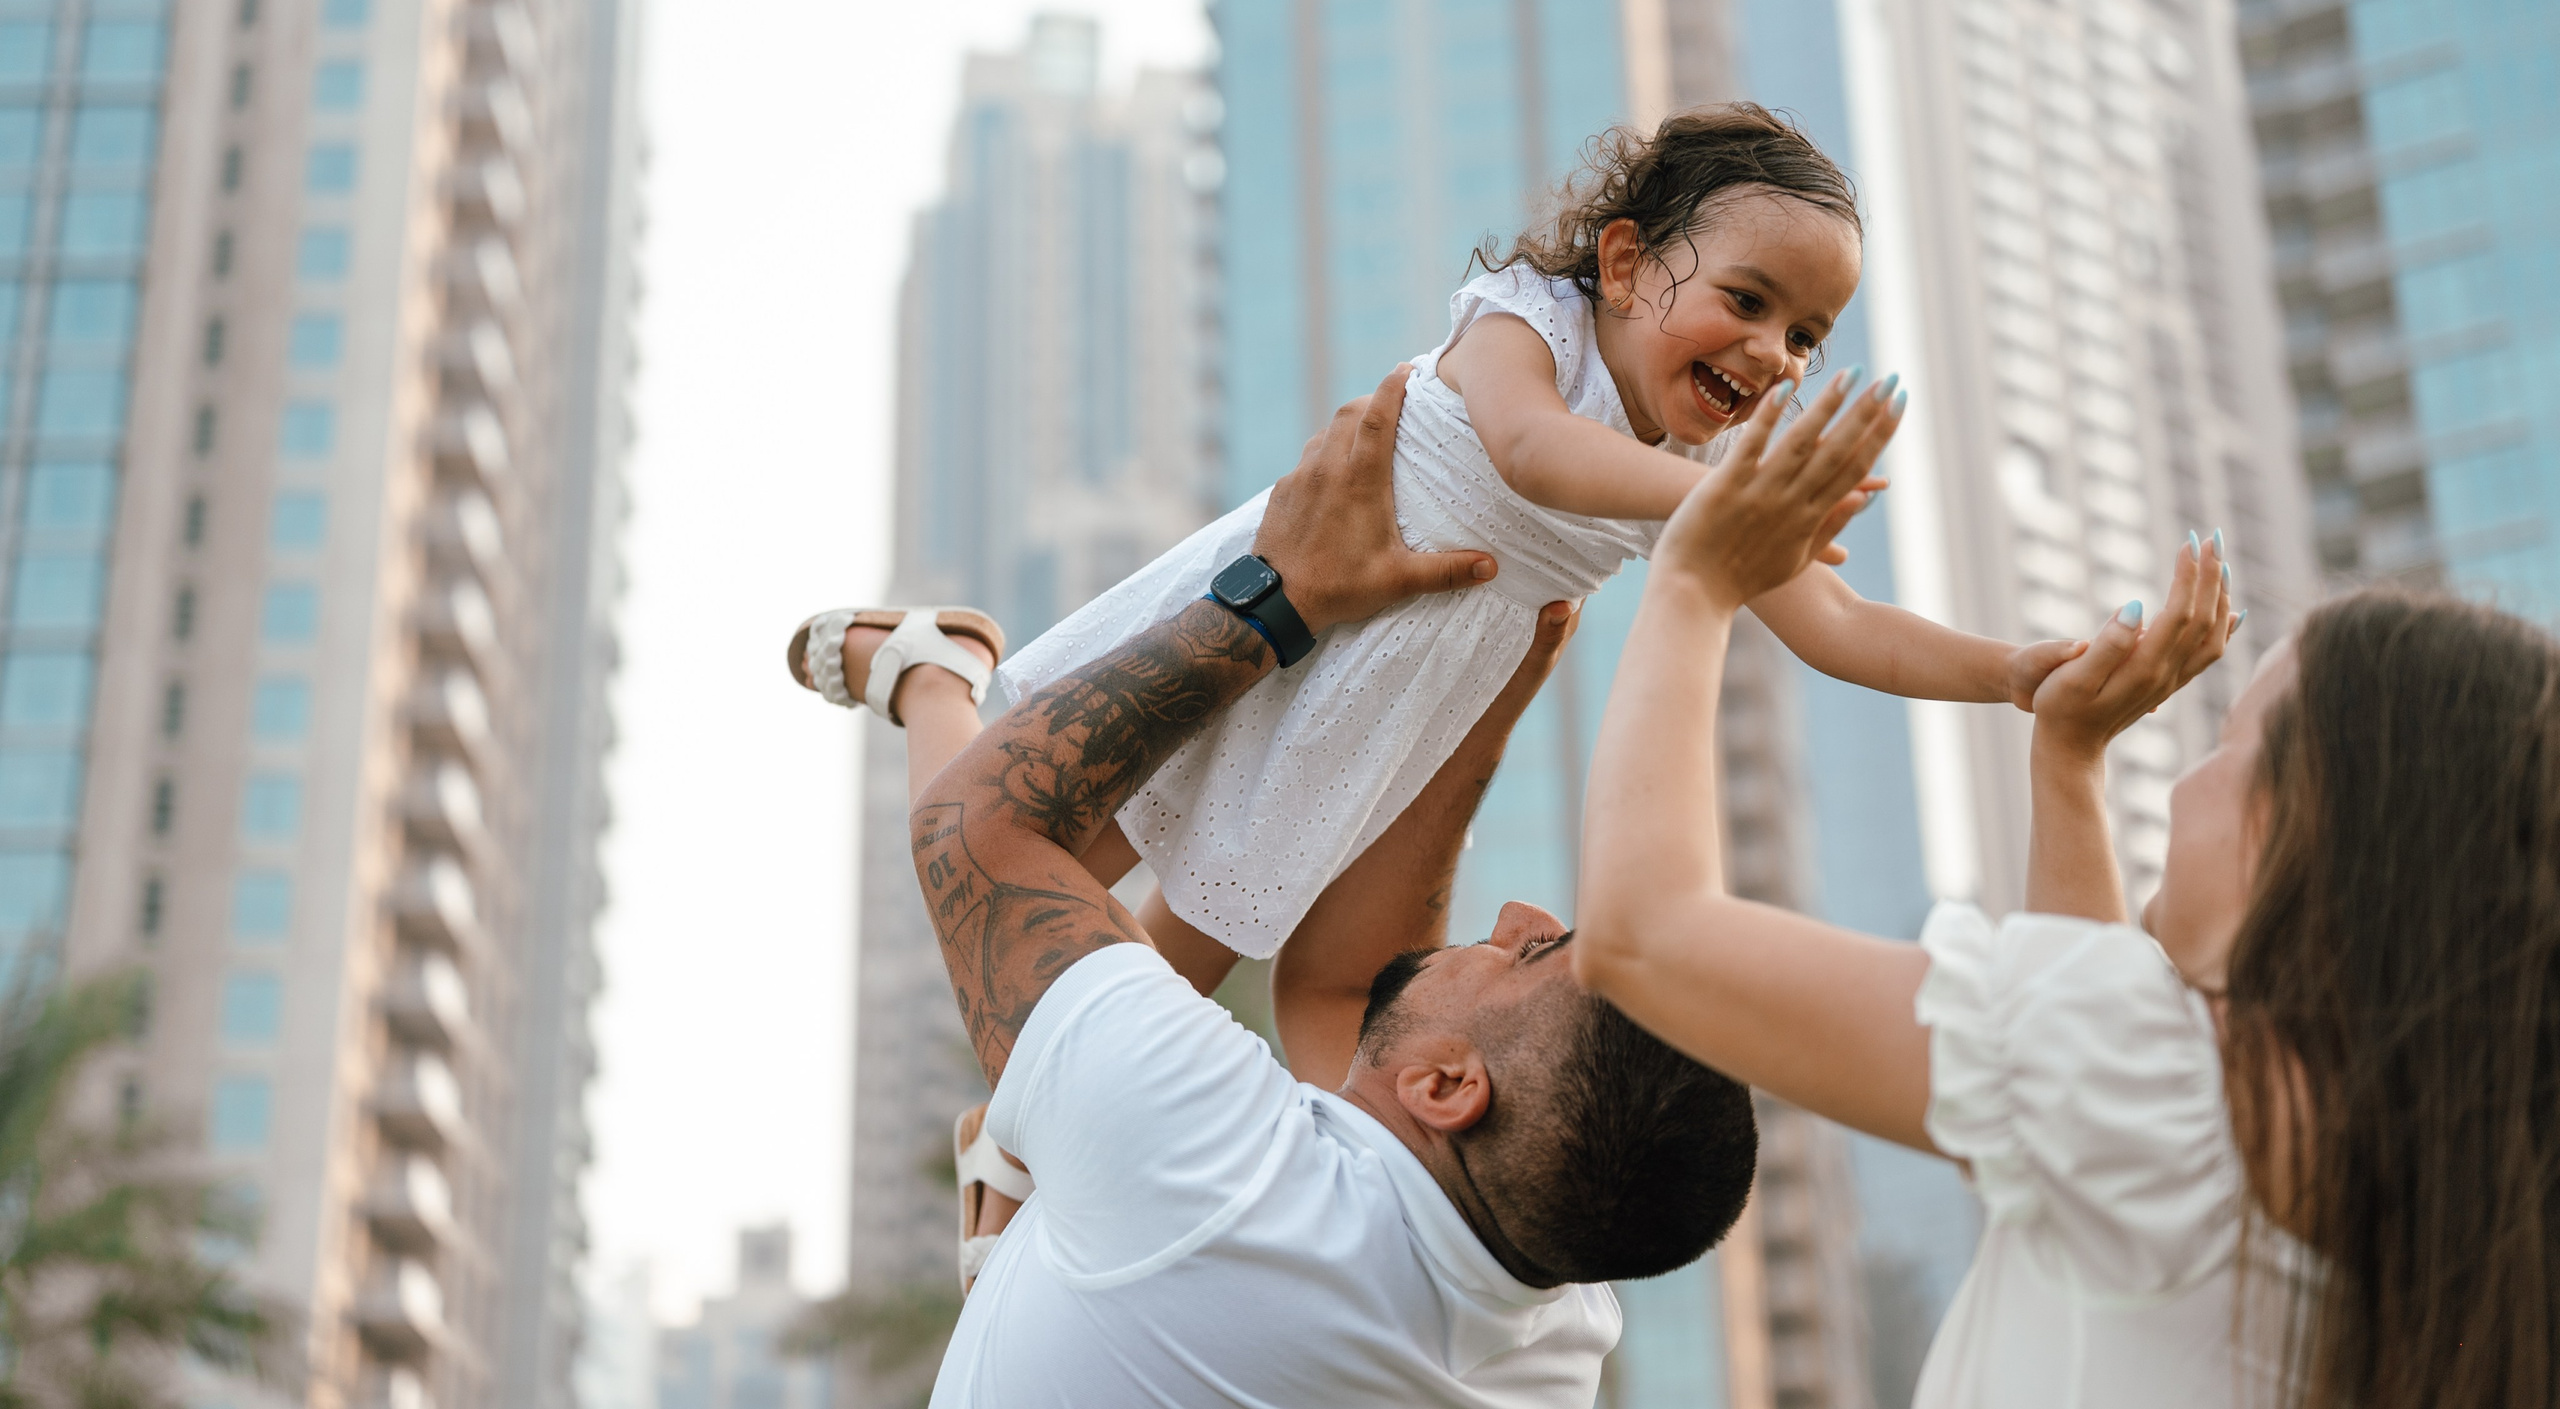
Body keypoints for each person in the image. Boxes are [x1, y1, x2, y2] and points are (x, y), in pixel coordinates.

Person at [813, 366, 1902, 1407]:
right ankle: (934, 680)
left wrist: (1278, 600)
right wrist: (1480, 692)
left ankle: (935, 672)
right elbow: (1345, 990)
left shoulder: (1218, 1177)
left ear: (1445, 1089)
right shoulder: (1534, 1322)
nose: (1520, 914)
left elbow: (974, 828)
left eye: (1534, 953)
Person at [860, 104, 2081, 1012]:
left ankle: (1022, 1150)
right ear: (1620, 263)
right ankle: (936, 670)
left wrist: (2019, 672)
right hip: (1279, 602)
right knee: (1012, 849)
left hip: (1389, 693)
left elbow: (1838, 624)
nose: (1776, 355)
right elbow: (1531, 450)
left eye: (1809, 337)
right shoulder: (1528, 320)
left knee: (1181, 956)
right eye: (1750, 301)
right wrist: (1732, 513)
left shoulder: (1694, 489)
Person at [1569, 386, 2560, 1405]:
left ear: (2310, 824)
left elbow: (1644, 935)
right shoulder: (2414, 1235)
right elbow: (2082, 1094)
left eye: (2227, 748)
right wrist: (2068, 759)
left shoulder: (2175, 1119)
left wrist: (1694, 575)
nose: (2182, 785)